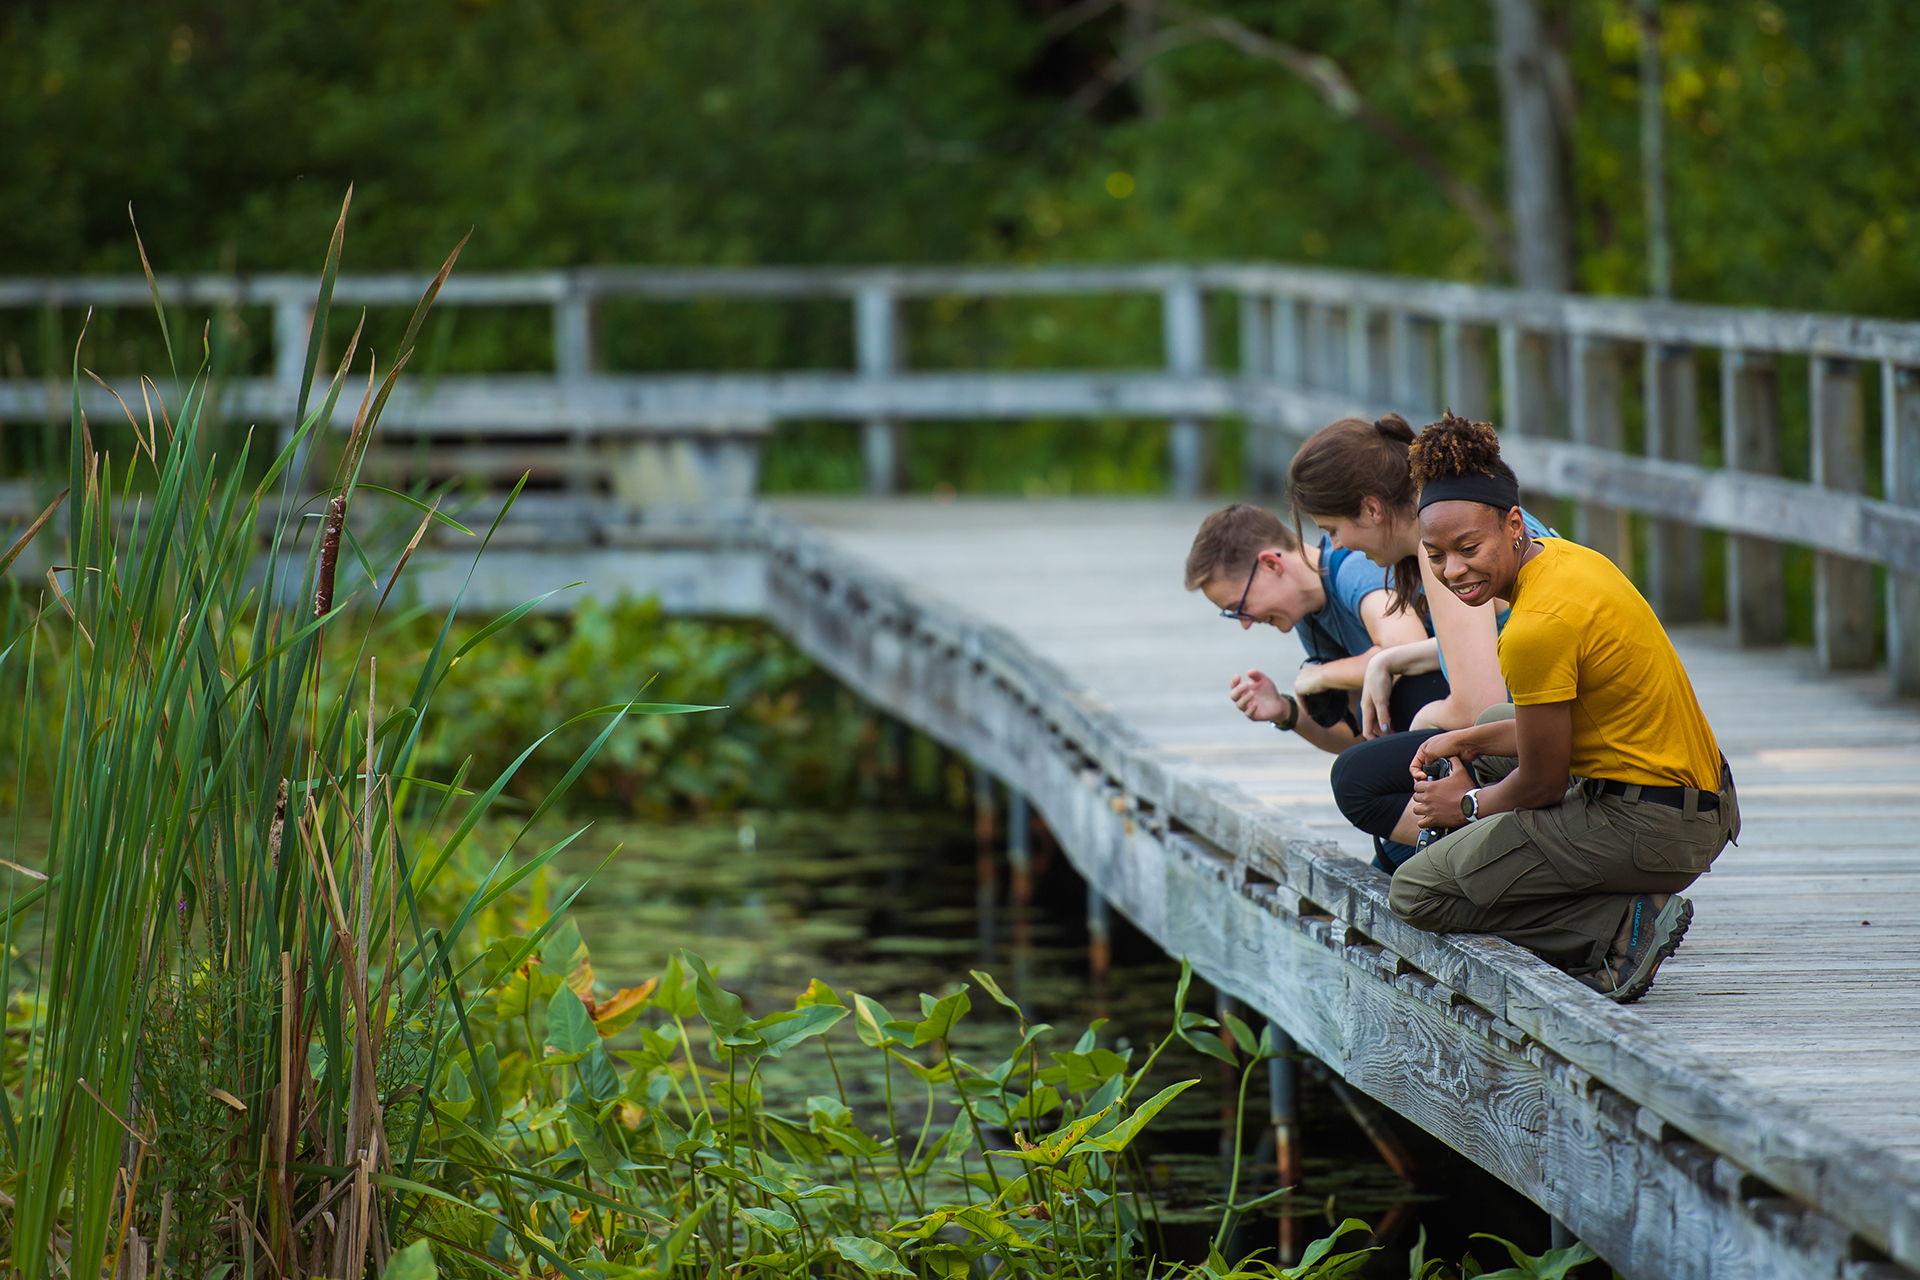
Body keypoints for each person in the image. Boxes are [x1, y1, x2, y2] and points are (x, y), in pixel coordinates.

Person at [1386, 414, 1739, 1003]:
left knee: (1416, 893)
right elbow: (1554, 735)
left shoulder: (1534, 630)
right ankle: (1576, 884)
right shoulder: (1565, 559)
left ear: (1513, 524)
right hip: (1700, 799)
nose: (1452, 571)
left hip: (1659, 827)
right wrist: (1463, 745)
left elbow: (1544, 783)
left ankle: (1619, 928)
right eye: (1436, 555)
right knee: (1487, 725)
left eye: (1468, 548)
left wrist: (1466, 805)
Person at [1286, 413, 1558, 873]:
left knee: (1357, 779)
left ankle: (1525, 863)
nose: (1340, 547)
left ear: (1372, 509)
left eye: (1333, 530)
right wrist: (1392, 659)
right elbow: (1502, 634)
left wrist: (1424, 719)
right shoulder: (1471, 512)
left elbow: (1480, 707)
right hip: (1557, 717)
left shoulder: (1444, 547)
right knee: (1392, 847)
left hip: (1553, 741)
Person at [1184, 502, 1434, 755]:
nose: (1246, 623)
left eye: (1241, 606)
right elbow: (1362, 735)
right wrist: (1287, 713)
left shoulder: (1351, 566)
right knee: (1353, 770)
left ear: (1271, 564)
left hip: (1454, 708)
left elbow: (1407, 647)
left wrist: (1323, 674)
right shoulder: (1308, 617)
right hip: (1424, 730)